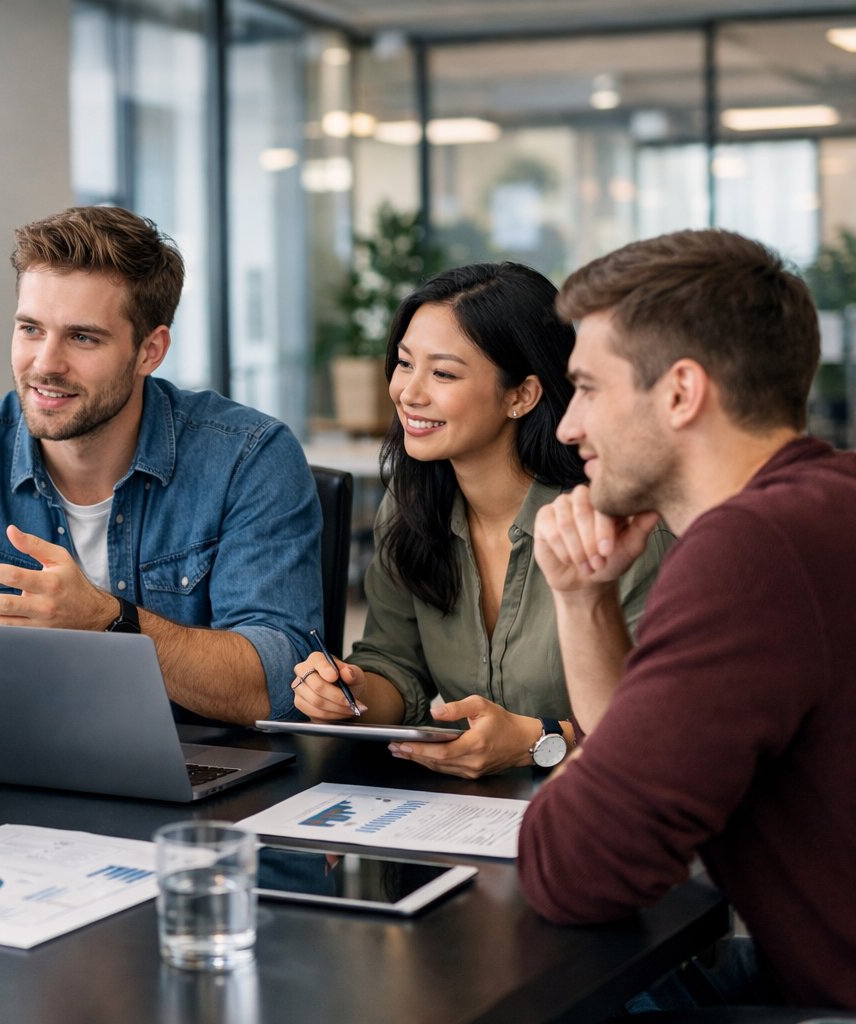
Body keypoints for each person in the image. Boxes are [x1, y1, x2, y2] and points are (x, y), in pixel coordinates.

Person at [518, 229, 855, 1009]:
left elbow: (579, 869)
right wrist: (582, 599)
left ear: (680, 392)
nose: (568, 428)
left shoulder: (753, 551)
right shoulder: (822, 504)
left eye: (589, 388)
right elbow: (638, 780)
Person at [0, 205, 322, 725]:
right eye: (31, 329)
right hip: (4, 770)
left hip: (205, 772)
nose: (45, 364)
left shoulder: (248, 457)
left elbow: (283, 678)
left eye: (82, 337)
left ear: (150, 350)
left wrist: (109, 622)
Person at [291, 263, 669, 778]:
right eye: (405, 364)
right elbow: (394, 666)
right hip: (462, 819)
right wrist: (352, 692)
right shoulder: (410, 505)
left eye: (443, 373)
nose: (409, 392)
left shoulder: (618, 528)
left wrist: (537, 739)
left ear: (522, 395)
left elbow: (665, 717)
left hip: (597, 812)